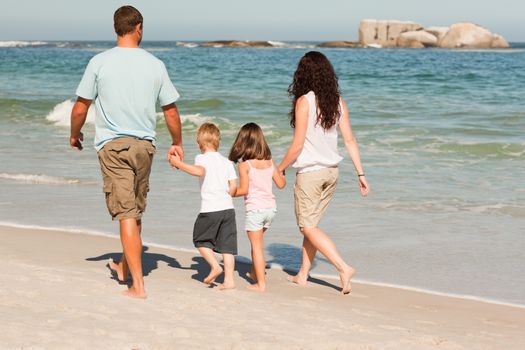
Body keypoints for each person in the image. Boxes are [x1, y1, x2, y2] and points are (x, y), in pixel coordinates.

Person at [69, 6, 183, 299]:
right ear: (139, 28)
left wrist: (74, 133)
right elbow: (170, 110)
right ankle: (123, 267)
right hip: (145, 147)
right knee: (134, 211)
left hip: (113, 146)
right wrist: (177, 141)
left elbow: (81, 106)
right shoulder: (155, 64)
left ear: (115, 28)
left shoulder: (99, 62)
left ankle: (138, 287)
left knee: (127, 213)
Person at [278, 51, 369, 295]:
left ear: (303, 75)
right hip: (332, 173)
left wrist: (280, 167)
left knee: (307, 226)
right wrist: (361, 174)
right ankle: (303, 275)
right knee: (312, 225)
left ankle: (343, 267)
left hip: (311, 173)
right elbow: (349, 140)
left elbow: (297, 146)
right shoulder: (337, 102)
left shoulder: (304, 101)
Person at [169, 123, 238, 290]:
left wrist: (178, 164)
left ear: (199, 142)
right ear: (218, 141)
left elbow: (199, 171)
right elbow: (233, 187)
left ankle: (215, 266)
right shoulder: (227, 161)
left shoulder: (201, 158)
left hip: (210, 209)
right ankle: (229, 280)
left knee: (200, 239)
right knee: (227, 246)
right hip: (228, 209)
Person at [228, 123, 286, 292]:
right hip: (271, 210)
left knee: (257, 247)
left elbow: (244, 190)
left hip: (255, 210)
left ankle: (260, 284)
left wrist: (230, 192)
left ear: (243, 142)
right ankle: (255, 273)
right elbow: (281, 184)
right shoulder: (269, 162)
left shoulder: (245, 165)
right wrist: (282, 172)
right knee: (258, 243)